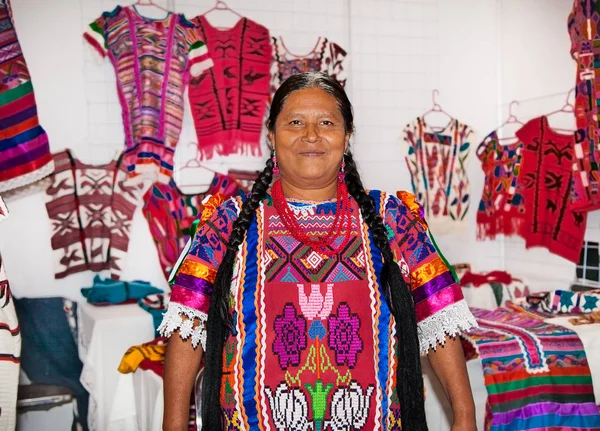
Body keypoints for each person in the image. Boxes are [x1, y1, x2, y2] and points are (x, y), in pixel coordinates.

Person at [159, 72, 477, 431]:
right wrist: (173, 425)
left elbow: (438, 315)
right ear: (271, 135)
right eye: (295, 122)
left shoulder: (391, 219)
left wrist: (465, 415)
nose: (311, 135)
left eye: (326, 122)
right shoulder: (227, 223)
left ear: (347, 136)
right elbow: (187, 326)